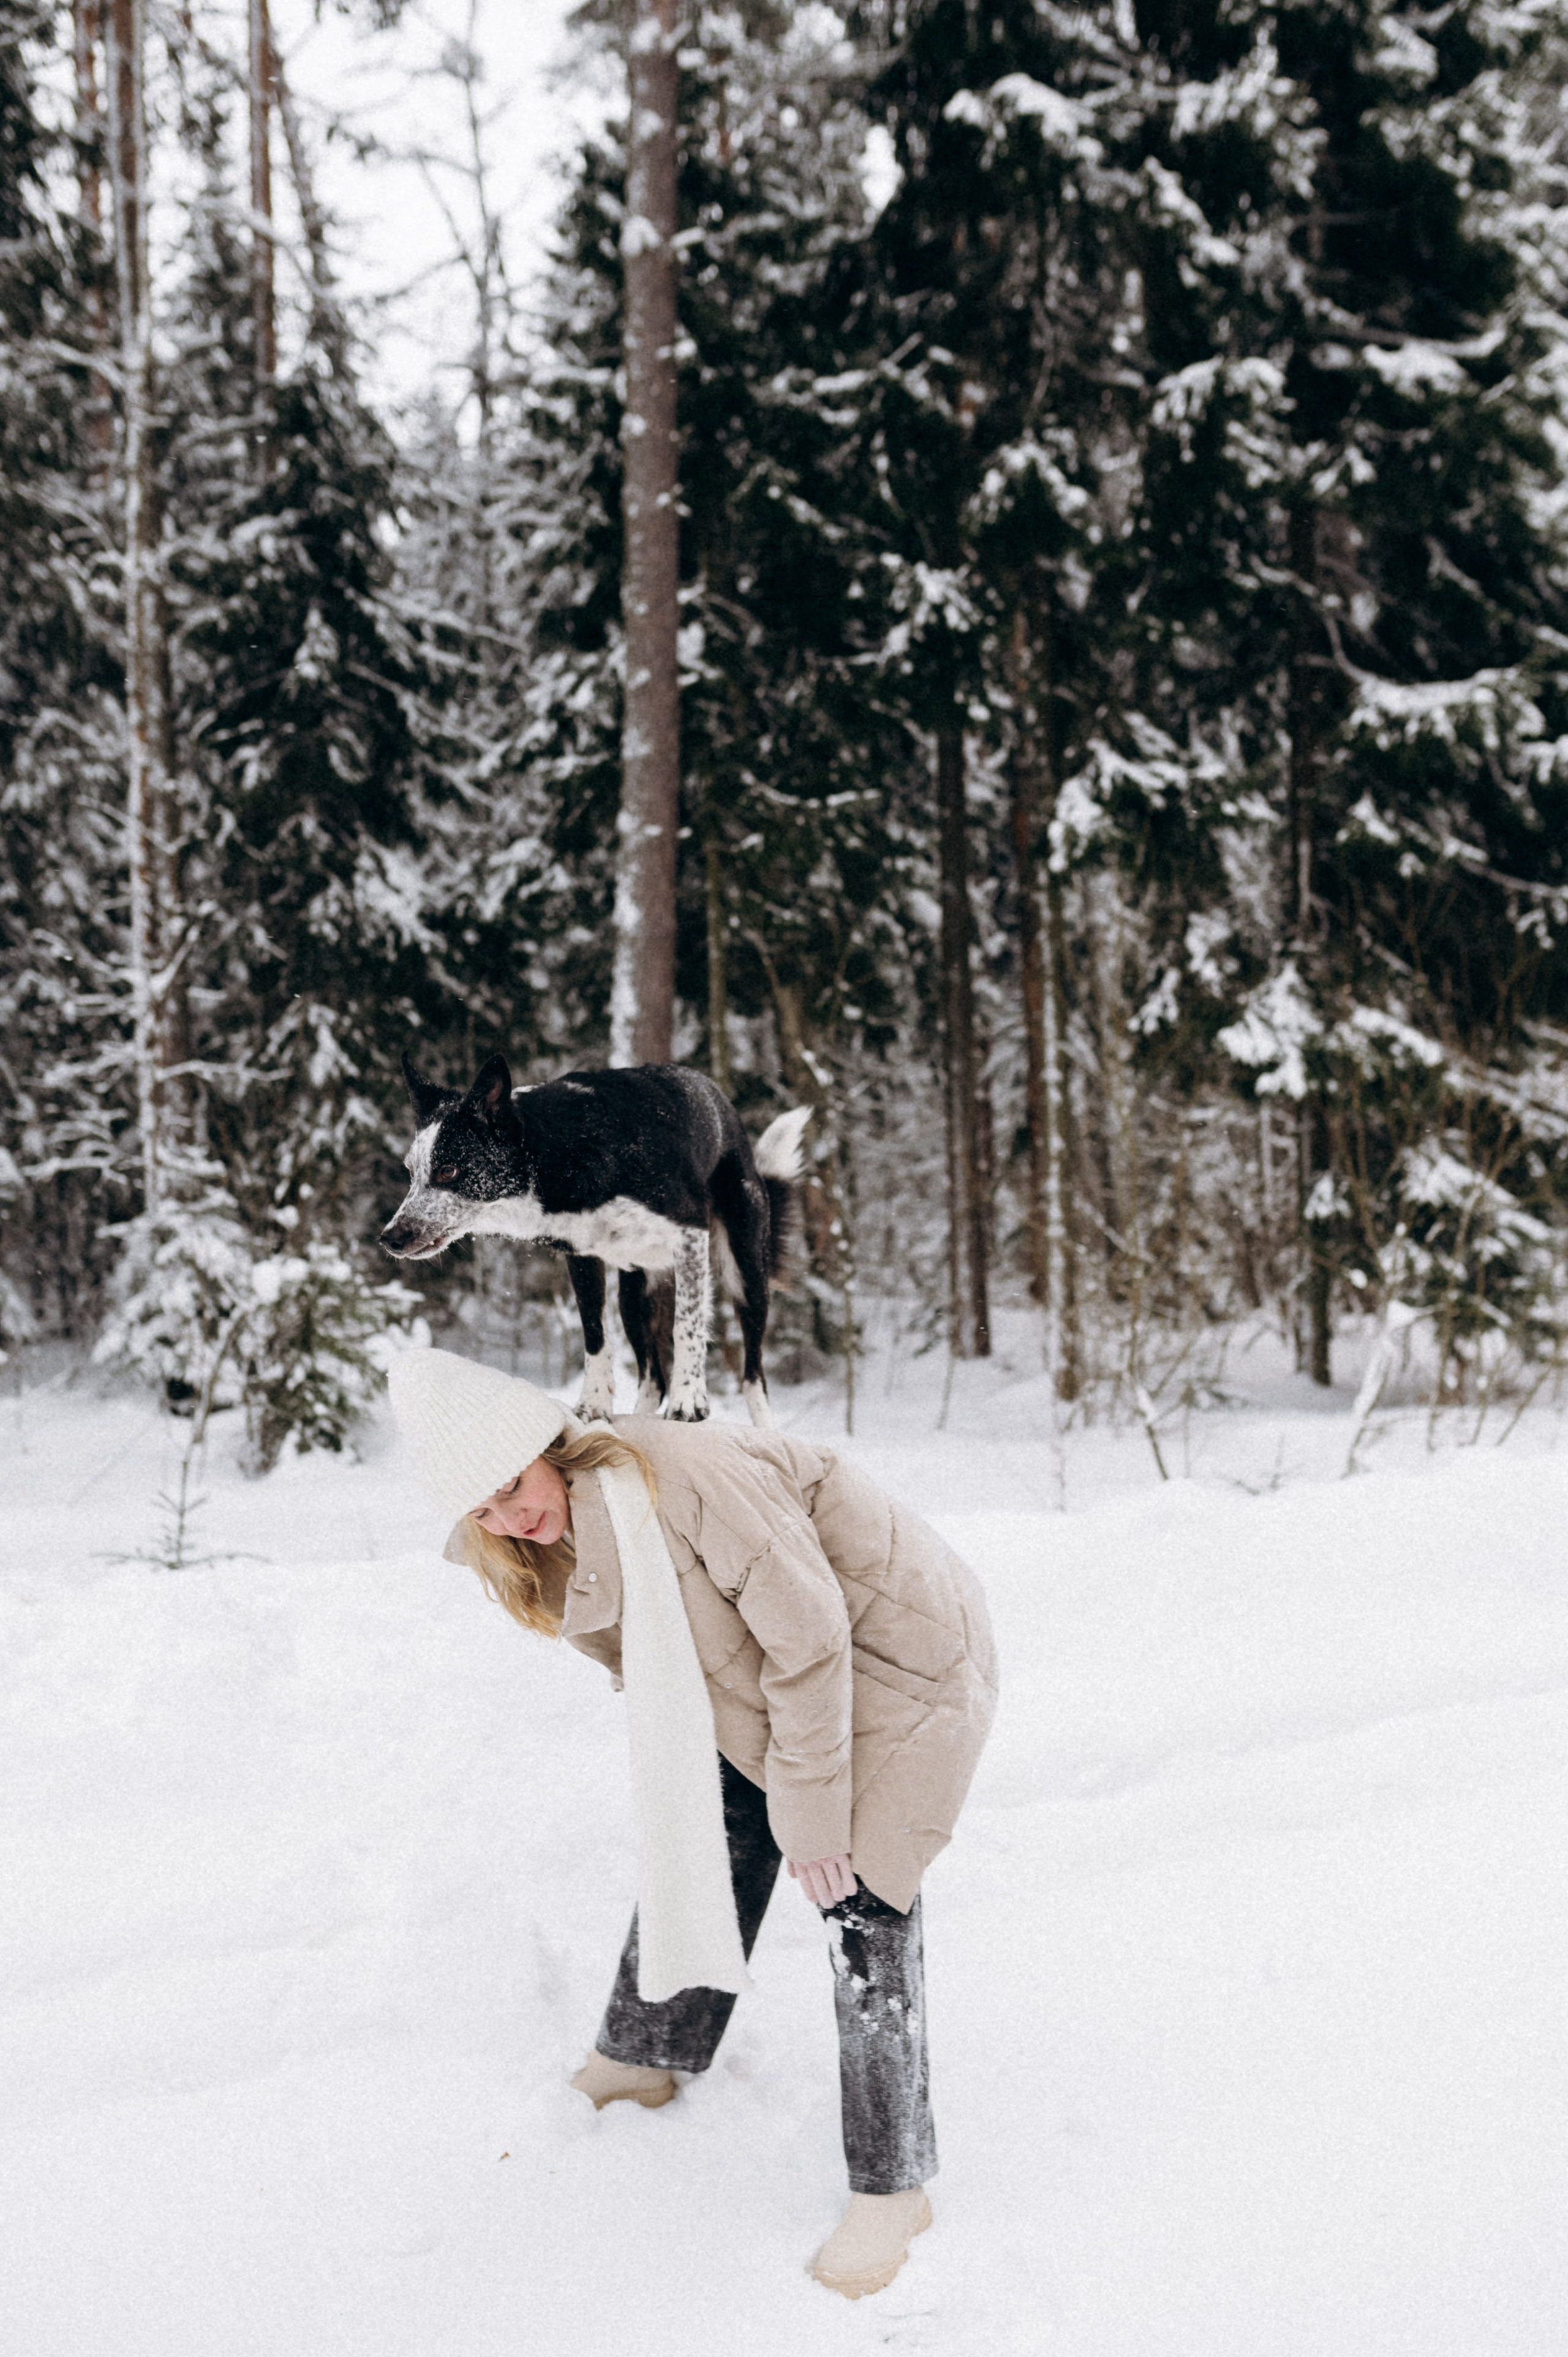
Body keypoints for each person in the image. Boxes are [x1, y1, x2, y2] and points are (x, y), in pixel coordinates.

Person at [388, 1346, 997, 2301]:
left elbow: (812, 1638)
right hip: (766, 1676)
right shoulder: (540, 1537)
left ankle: (895, 2187)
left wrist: (811, 1814)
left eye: (513, 1484)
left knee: (866, 1891)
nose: (511, 1517)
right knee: (715, 1827)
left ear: (552, 1444)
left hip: (896, 1654)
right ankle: (648, 2053)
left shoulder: (686, 1480)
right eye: (484, 1508)